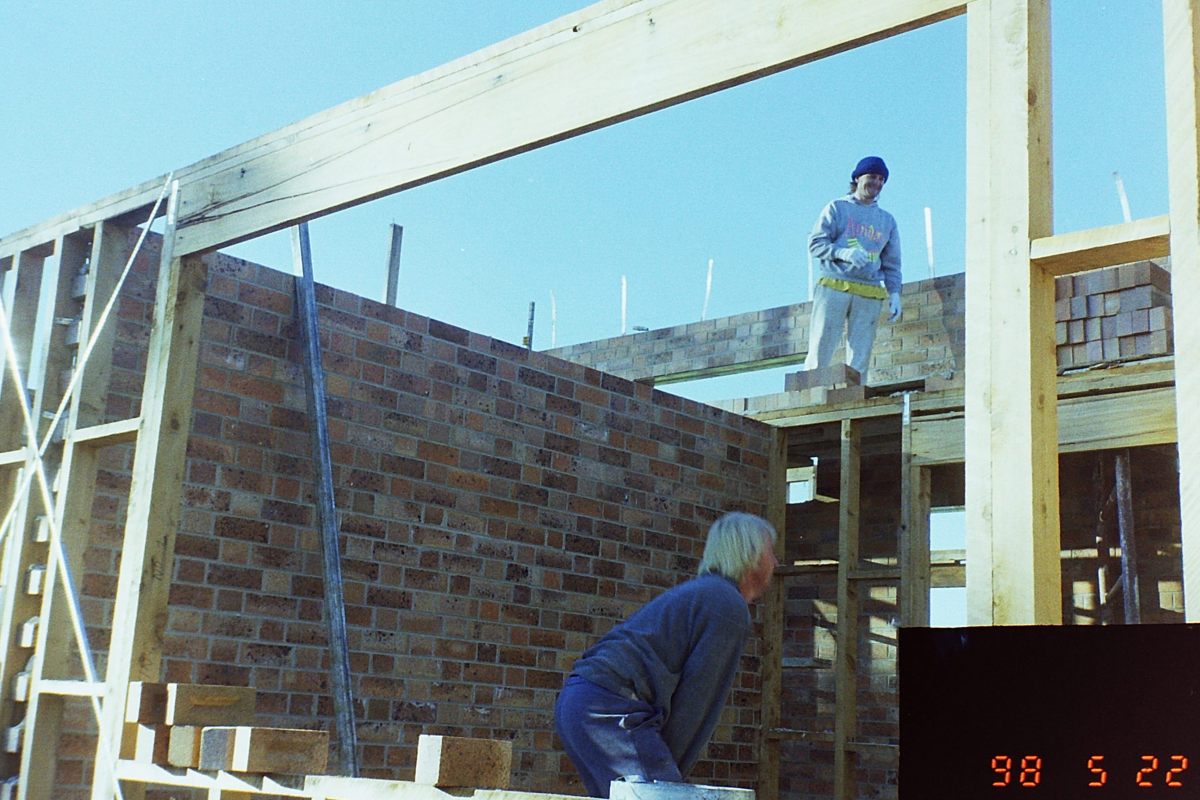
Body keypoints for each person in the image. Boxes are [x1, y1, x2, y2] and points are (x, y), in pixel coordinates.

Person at [554, 511, 779, 797]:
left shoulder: (703, 594)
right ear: (752, 555)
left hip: (582, 701)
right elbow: (697, 703)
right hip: (609, 709)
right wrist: (668, 783)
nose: (775, 562)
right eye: (770, 552)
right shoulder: (726, 605)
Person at [804, 155, 903, 376]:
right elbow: (815, 244)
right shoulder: (838, 208)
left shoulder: (887, 221)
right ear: (858, 178)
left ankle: (854, 394)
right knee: (822, 342)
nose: (876, 183)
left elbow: (892, 263)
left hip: (869, 290)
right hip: (834, 284)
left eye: (881, 179)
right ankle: (810, 392)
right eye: (871, 176)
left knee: (861, 353)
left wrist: (895, 292)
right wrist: (843, 253)